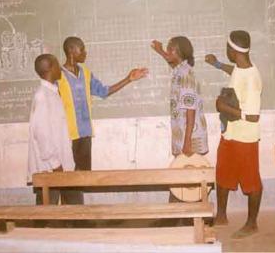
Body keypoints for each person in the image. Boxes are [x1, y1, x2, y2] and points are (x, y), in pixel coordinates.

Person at [58, 36, 148, 204]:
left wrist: (129, 79)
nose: (85, 53)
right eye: (82, 49)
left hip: (84, 134)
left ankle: (78, 216)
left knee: (81, 179)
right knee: (66, 179)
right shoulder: (58, 75)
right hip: (66, 136)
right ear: (71, 51)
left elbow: (104, 91)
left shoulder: (85, 72)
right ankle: (71, 218)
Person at [205, 30, 263, 239]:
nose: (226, 50)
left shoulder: (253, 79)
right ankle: (221, 215)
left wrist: (222, 107)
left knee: (251, 181)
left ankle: (252, 223)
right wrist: (218, 64)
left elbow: (253, 117)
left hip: (245, 138)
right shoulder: (241, 67)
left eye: (227, 47)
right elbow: (236, 72)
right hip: (230, 134)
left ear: (233, 50)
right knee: (222, 173)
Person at [27, 54, 75, 206]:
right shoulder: (42, 96)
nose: (60, 67)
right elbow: (41, 134)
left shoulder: (52, 92)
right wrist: (56, 164)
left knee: (56, 209)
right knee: (47, 212)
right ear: (50, 68)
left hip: (57, 165)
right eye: (56, 64)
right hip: (50, 167)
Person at [151, 37, 208, 158]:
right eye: (167, 48)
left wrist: (187, 142)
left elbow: (190, 110)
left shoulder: (186, 75)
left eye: (171, 49)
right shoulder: (180, 70)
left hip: (191, 138)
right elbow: (172, 62)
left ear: (181, 53)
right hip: (183, 135)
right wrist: (160, 51)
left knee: (192, 175)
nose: (167, 52)